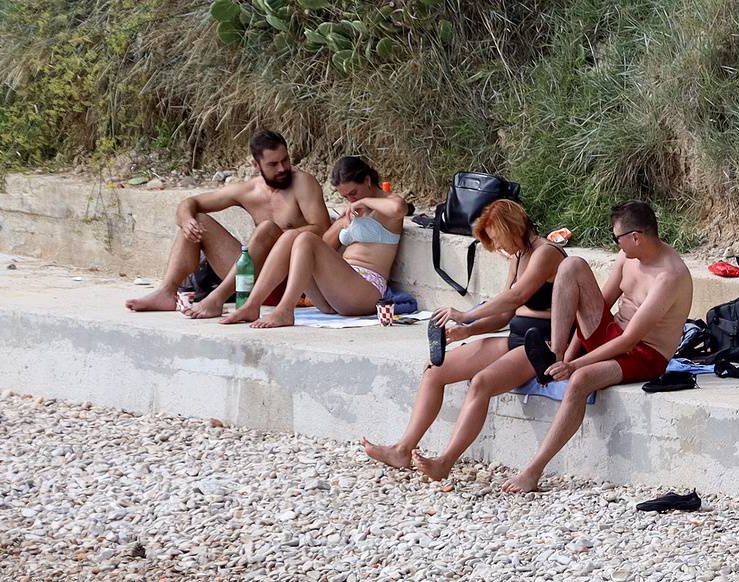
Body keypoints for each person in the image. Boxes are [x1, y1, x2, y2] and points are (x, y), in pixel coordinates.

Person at [375, 201, 691, 493]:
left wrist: (574, 365)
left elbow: (629, 340)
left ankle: (532, 470)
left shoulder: (669, 276)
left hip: (643, 353)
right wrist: (469, 330)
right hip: (586, 335)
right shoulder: (626, 256)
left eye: (616, 238)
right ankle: (404, 449)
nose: (614, 244)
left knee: (575, 381)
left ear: (635, 237)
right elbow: (597, 308)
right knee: (575, 265)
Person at [363, 198, 565, 472]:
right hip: (515, 335)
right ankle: (402, 449)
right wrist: (467, 331)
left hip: (543, 343)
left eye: (500, 239)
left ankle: (445, 462)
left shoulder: (546, 253)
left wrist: (466, 315)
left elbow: (517, 296)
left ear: (513, 227)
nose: (501, 248)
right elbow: (505, 314)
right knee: (435, 370)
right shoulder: (518, 256)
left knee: (481, 383)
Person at [125, 130, 328, 313]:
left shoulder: (303, 183)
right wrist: (186, 221)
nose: (282, 168)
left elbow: (322, 229)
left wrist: (280, 237)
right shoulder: (248, 191)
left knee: (267, 229)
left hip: (290, 279)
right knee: (197, 219)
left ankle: (217, 298)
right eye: (273, 164)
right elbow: (190, 202)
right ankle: (166, 292)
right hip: (251, 281)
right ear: (256, 165)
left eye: (285, 160)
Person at [219, 155, 406, 329]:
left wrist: (365, 201)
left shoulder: (387, 203)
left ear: (367, 180)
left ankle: (285, 310)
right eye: (345, 197)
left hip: (366, 289)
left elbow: (399, 208)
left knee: (306, 238)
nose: (351, 199)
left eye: (354, 193)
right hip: (335, 293)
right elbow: (324, 245)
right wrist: (341, 224)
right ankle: (252, 304)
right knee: (292, 237)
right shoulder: (353, 211)